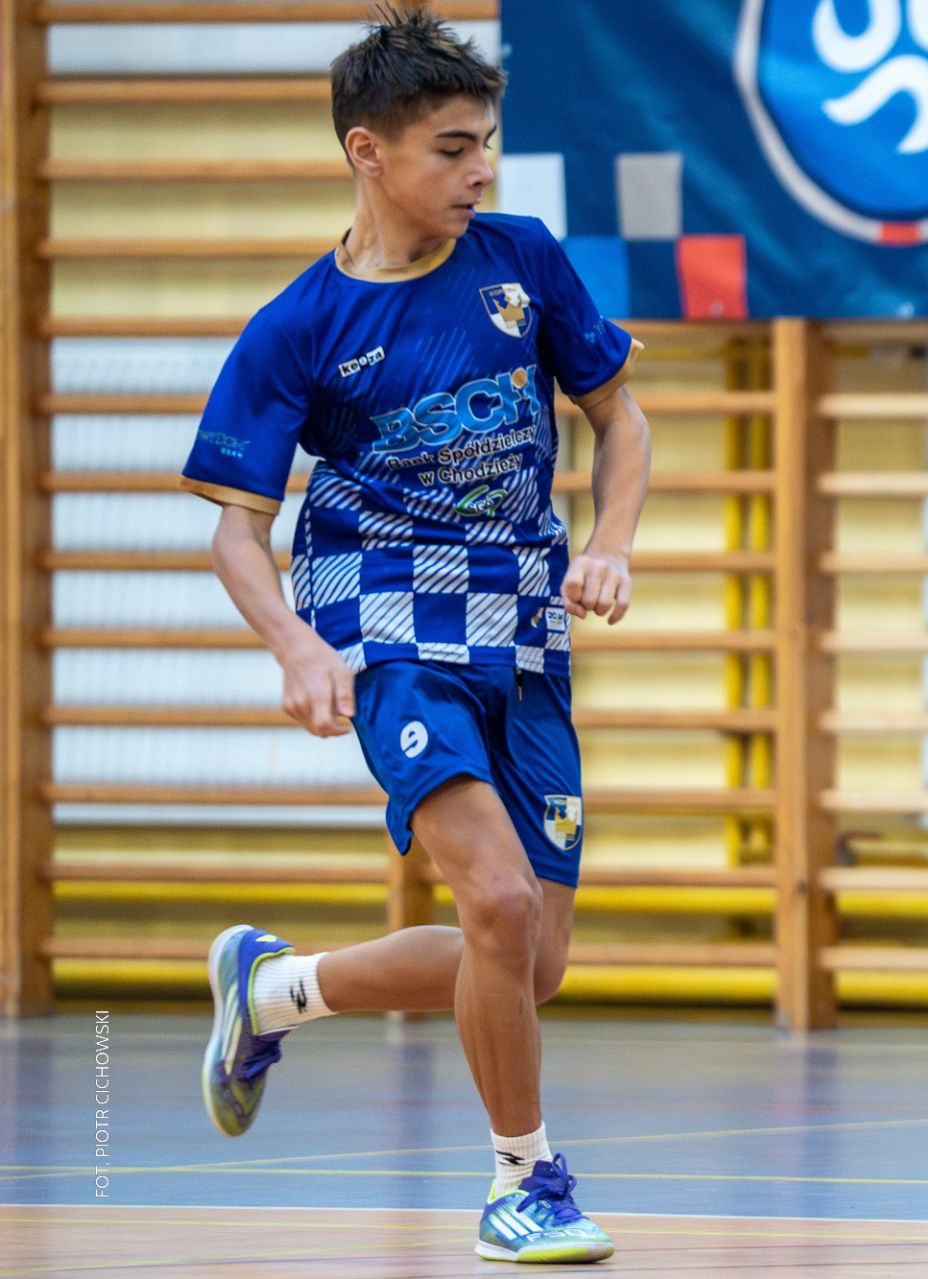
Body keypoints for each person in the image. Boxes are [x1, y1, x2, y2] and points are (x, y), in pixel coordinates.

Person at [181, 6, 649, 1264]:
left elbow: (622, 418)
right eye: (451, 148)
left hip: (524, 627)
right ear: (367, 151)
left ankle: (276, 990)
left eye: (486, 143)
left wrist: (609, 542)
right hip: (385, 621)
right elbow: (237, 534)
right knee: (493, 898)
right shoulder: (298, 327)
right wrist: (296, 644)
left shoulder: (522, 260)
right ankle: (525, 1182)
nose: (479, 169)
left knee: (528, 961)